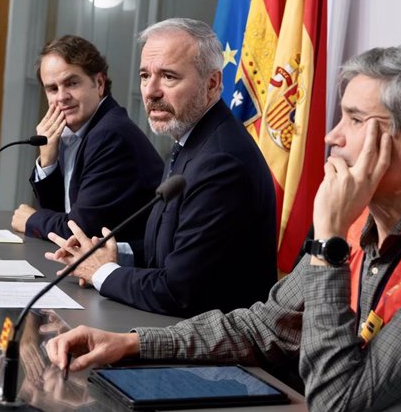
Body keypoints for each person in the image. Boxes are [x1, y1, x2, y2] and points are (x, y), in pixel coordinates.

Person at [46, 44, 401, 412]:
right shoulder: (363, 222)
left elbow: (338, 402)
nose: (331, 137)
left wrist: (329, 246)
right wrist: (131, 343)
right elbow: (264, 327)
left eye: (356, 121)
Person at [45, 19, 277, 317]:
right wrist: (113, 254)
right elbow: (171, 249)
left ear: (213, 84)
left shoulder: (222, 161)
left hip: (215, 350)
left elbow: (180, 290)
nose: (151, 91)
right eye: (145, 76)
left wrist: (101, 272)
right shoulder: (193, 138)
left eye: (168, 77)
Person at [11, 35, 163, 241]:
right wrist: (48, 160)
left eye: (71, 83)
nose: (61, 97)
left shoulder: (111, 135)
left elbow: (79, 231)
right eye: (52, 89)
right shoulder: (73, 130)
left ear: (99, 83)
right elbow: (59, 215)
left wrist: (31, 220)